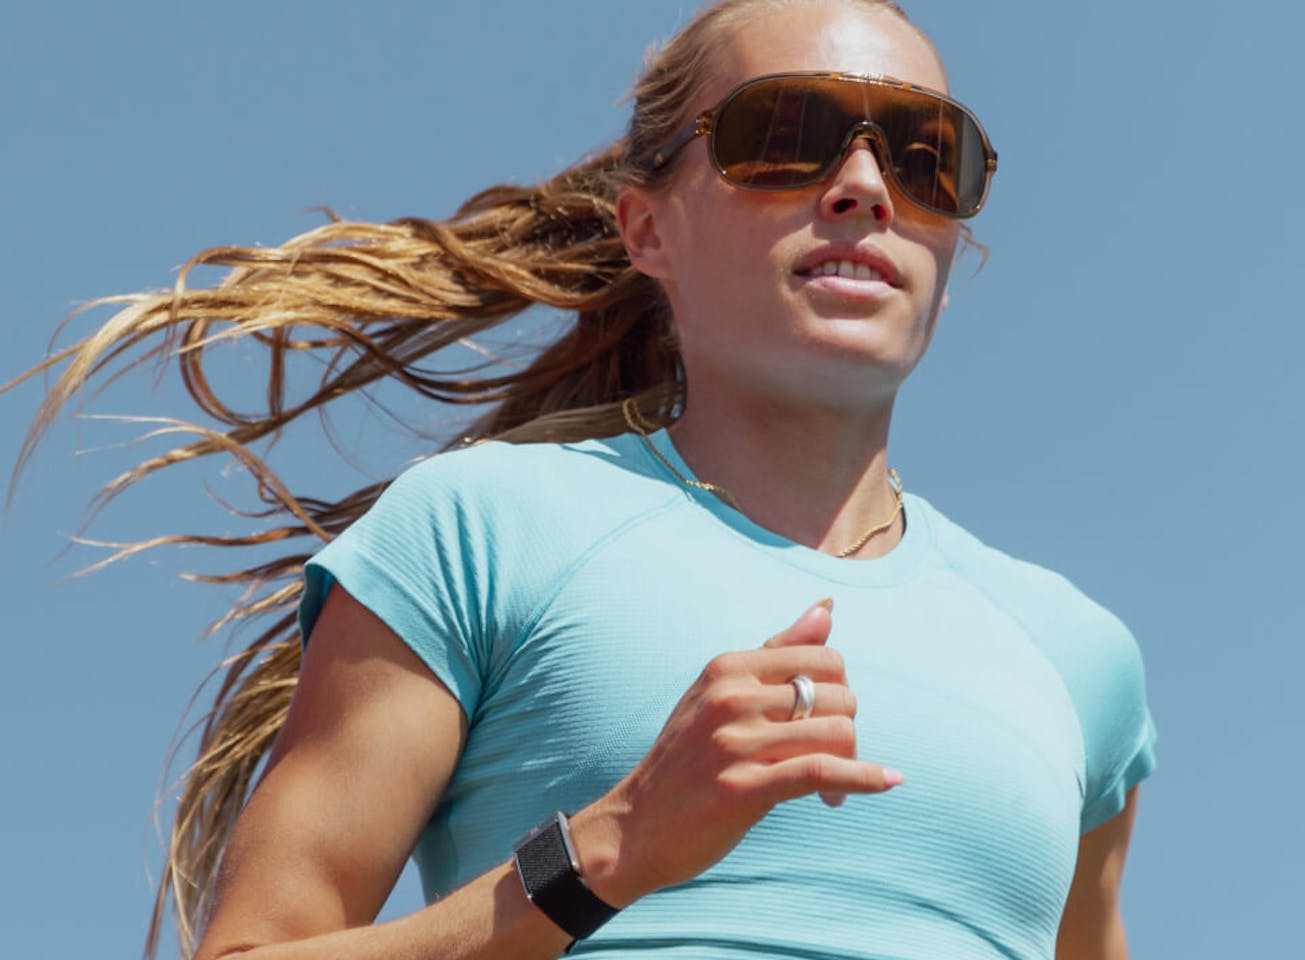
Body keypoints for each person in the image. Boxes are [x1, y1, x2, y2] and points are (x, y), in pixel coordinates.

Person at [10, 1, 1157, 958]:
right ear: (646, 227)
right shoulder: (480, 530)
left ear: (952, 248)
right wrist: (606, 851)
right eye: (788, 132)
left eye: (926, 156)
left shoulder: (1078, 655)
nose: (864, 185)